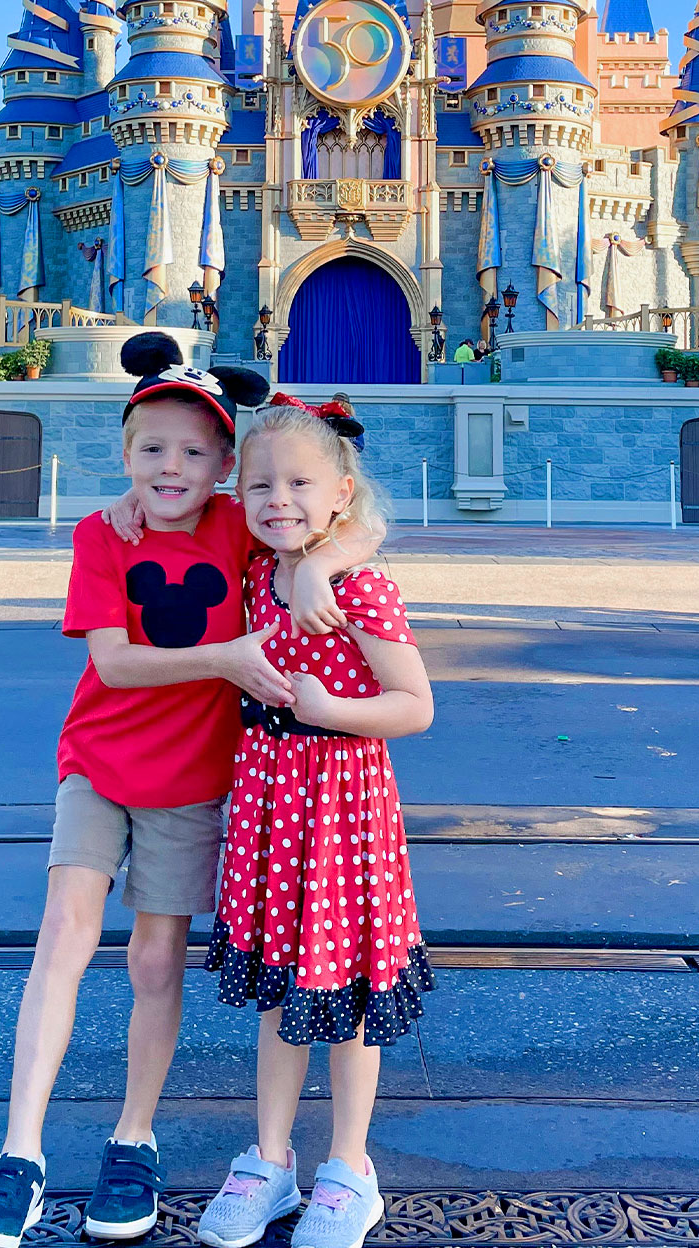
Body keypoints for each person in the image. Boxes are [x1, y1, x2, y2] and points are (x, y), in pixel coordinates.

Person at [0, 334, 288, 1248]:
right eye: (151, 451)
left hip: (193, 778)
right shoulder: (103, 532)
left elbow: (327, 500)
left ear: (224, 465)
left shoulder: (239, 526)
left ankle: (132, 1139)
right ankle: (19, 1153)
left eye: (192, 451)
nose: (169, 467)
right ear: (125, 456)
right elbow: (117, 664)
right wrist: (227, 659)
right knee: (64, 931)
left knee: (154, 960)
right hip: (100, 759)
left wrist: (327, 569)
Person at [196, 398, 436, 1248]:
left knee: (350, 998)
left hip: (340, 807)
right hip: (268, 803)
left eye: (300, 482)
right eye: (260, 483)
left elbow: (416, 707)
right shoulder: (262, 574)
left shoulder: (358, 587)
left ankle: (350, 1168)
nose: (278, 498)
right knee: (280, 992)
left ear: (341, 493)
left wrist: (334, 708)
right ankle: (269, 1159)